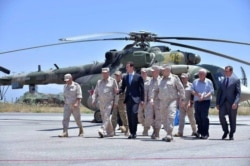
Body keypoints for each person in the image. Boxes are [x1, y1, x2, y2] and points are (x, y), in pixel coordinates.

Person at [155, 64, 186, 142]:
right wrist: (152, 99)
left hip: (172, 100)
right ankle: (168, 133)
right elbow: (156, 90)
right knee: (163, 118)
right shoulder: (160, 80)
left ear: (168, 70)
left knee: (171, 116)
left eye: (163, 70)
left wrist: (182, 100)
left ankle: (169, 133)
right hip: (162, 101)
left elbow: (181, 89)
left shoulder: (174, 78)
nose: (162, 71)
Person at [119, 61, 144, 139]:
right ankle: (132, 133)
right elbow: (123, 88)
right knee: (129, 116)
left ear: (132, 67)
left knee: (134, 114)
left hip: (136, 99)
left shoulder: (138, 77)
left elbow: (142, 89)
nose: (126, 68)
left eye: (127, 67)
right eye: (126, 67)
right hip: (128, 99)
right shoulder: (125, 77)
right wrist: (118, 91)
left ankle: (134, 132)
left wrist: (142, 99)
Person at [92, 68, 119, 138]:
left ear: (108, 73)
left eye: (105, 73)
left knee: (106, 116)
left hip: (109, 102)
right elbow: (95, 92)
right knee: (104, 117)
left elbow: (116, 93)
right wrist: (93, 99)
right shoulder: (99, 82)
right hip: (101, 102)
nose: (104, 74)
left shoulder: (113, 81)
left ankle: (102, 129)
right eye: (103, 73)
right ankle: (111, 132)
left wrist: (116, 102)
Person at [216, 66, 241, 140]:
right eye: (225, 71)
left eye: (227, 71)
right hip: (223, 102)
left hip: (232, 103)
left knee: (232, 119)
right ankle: (226, 131)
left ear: (231, 72)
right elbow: (219, 93)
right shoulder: (222, 81)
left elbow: (238, 93)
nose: (225, 72)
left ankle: (231, 133)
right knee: (221, 116)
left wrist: (236, 103)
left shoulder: (236, 80)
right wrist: (217, 103)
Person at [58, 73, 84, 137]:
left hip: (75, 105)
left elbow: (79, 96)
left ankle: (81, 129)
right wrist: (65, 102)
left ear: (71, 78)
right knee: (65, 118)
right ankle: (65, 132)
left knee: (77, 119)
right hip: (67, 105)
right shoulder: (65, 86)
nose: (67, 81)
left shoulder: (76, 85)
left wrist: (77, 103)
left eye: (68, 80)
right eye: (66, 80)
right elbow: (65, 96)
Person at [191, 69, 214, 139]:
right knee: (198, 117)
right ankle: (200, 131)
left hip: (205, 101)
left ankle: (205, 133)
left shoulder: (209, 82)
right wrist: (198, 95)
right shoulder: (195, 81)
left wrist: (204, 97)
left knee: (204, 117)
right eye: (199, 74)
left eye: (202, 74)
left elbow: (211, 91)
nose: (200, 75)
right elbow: (192, 90)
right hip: (197, 101)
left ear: (205, 75)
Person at [174, 73, 198, 137]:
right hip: (182, 105)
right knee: (181, 119)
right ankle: (180, 132)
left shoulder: (191, 85)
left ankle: (194, 131)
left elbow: (193, 94)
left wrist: (191, 102)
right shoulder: (179, 86)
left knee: (192, 119)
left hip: (189, 105)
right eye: (182, 78)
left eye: (184, 78)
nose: (183, 79)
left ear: (187, 78)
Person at [111, 70, 129, 136]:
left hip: (121, 101)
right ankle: (113, 130)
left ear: (120, 76)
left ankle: (127, 129)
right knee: (114, 116)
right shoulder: (113, 83)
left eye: (118, 75)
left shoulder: (123, 83)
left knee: (123, 115)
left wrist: (125, 101)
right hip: (115, 102)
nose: (116, 77)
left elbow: (125, 92)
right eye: (116, 75)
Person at [147, 65, 162, 140]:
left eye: (153, 71)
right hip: (150, 101)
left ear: (157, 71)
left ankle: (157, 132)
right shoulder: (149, 80)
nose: (152, 72)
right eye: (152, 71)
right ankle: (154, 129)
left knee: (158, 118)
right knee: (149, 117)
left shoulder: (161, 80)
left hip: (158, 101)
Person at [137, 68, 151, 136]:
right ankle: (145, 125)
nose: (143, 73)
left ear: (146, 73)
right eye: (142, 72)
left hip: (148, 101)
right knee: (139, 116)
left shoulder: (150, 80)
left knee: (148, 116)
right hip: (140, 101)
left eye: (144, 72)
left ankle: (146, 129)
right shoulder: (138, 80)